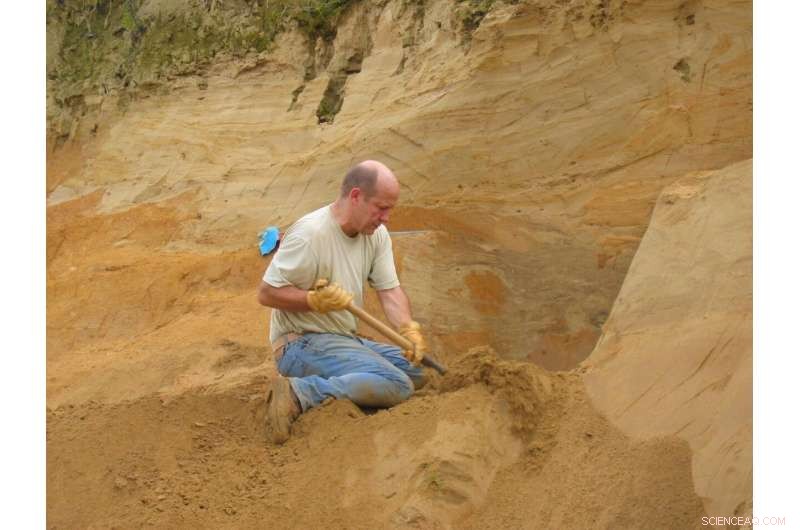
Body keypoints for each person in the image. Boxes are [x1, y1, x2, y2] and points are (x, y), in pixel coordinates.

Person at [257, 160, 428, 444]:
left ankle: (342, 384)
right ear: (356, 196)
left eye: (390, 209)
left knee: (420, 372)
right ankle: (300, 394)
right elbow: (266, 293)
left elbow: (390, 291)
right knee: (398, 384)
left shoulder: (376, 236)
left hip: (342, 339)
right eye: (381, 208)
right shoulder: (310, 235)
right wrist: (313, 300)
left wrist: (409, 329)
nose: (386, 218)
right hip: (299, 344)